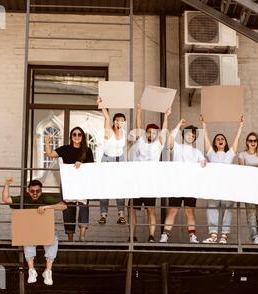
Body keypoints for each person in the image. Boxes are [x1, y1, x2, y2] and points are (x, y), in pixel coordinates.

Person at [2, 178, 67, 285]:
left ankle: (48, 271)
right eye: (32, 191)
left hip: (45, 229)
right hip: (30, 230)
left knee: (53, 238)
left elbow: (63, 206)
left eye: (38, 191)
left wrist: (47, 207)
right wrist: (7, 185)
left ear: (41, 191)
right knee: (27, 240)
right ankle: (31, 270)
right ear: (28, 191)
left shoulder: (46, 198)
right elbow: (6, 199)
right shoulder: (24, 198)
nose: (35, 194)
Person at [128, 104, 171, 243]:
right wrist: (139, 111)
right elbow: (138, 125)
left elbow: (164, 131)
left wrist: (166, 116)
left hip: (150, 181)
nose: (151, 134)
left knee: (150, 209)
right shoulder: (141, 140)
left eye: (153, 132)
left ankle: (151, 236)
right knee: (132, 208)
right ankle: (132, 235)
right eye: (149, 132)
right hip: (136, 180)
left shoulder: (158, 143)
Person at [160, 119, 207, 244]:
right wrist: (179, 124)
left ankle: (192, 236)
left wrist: (203, 162)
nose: (190, 136)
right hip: (177, 185)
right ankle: (165, 235)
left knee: (190, 211)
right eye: (188, 134)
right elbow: (169, 139)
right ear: (183, 135)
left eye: (193, 135)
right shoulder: (177, 146)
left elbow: (203, 163)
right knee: (172, 210)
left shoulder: (197, 152)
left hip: (190, 186)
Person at [44, 127, 94, 242]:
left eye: (79, 134)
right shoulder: (65, 149)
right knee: (68, 208)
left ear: (82, 136)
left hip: (82, 183)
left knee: (83, 207)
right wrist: (47, 142)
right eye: (74, 134)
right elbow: (50, 154)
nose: (77, 137)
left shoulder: (87, 150)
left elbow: (91, 167)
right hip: (68, 182)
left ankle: (82, 236)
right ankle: (70, 237)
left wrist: (81, 163)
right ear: (71, 136)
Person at [201, 115, 245, 244]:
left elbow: (237, 139)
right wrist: (204, 124)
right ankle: (214, 235)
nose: (220, 140)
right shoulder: (211, 154)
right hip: (214, 187)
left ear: (225, 142)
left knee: (228, 210)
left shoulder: (230, 154)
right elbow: (206, 138)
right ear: (215, 143)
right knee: (212, 209)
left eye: (222, 139)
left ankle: (224, 236)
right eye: (218, 139)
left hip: (227, 188)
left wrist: (241, 126)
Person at [98, 96, 127, 225]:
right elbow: (106, 117)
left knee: (119, 187)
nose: (119, 123)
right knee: (105, 187)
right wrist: (101, 104)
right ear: (114, 122)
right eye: (117, 121)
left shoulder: (124, 133)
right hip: (107, 159)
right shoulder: (108, 132)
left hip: (120, 159)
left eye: (122, 121)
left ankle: (121, 214)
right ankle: (103, 214)